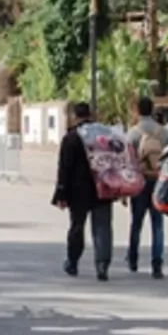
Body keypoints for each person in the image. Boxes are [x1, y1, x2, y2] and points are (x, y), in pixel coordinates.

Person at [52, 102, 114, 281]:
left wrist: (60, 194)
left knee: (77, 227)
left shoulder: (71, 137)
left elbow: (64, 169)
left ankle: (72, 262)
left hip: (78, 192)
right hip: (102, 188)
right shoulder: (104, 135)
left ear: (75, 116)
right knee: (102, 228)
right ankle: (102, 266)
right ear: (91, 114)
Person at [125, 97, 168, 278]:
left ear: (137, 110)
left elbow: (128, 160)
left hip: (139, 182)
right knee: (157, 224)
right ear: (152, 110)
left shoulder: (133, 133)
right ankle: (157, 263)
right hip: (159, 182)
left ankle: (133, 259)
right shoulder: (164, 132)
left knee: (136, 223)